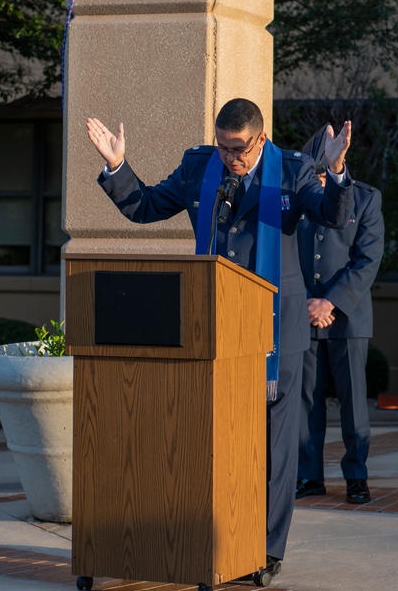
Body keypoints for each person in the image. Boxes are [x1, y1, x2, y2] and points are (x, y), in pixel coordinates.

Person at [86, 98, 353, 577]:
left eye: (240, 149)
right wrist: (117, 165)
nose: (231, 158)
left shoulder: (292, 170)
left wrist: (334, 172)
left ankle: (266, 550)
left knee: (273, 449)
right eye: (223, 147)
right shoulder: (199, 167)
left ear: (261, 138)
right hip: (214, 330)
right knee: (216, 443)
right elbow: (145, 207)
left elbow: (333, 218)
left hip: (275, 333)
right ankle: (219, 540)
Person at [294, 125, 384, 506]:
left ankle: (356, 478)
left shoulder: (364, 198)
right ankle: (308, 475)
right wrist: (306, 305)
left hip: (347, 316)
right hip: (303, 315)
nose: (317, 181)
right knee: (305, 403)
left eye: (322, 172)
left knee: (353, 403)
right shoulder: (296, 200)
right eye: (312, 174)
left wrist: (329, 302)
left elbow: (368, 259)